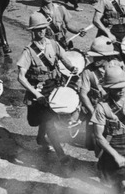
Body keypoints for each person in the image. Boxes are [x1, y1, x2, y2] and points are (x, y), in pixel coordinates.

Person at [16, 13, 80, 164]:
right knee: (45, 120)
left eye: (43, 28)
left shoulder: (53, 44)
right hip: (38, 90)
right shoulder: (28, 51)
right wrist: (35, 93)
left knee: (49, 119)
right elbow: (21, 77)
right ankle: (59, 153)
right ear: (32, 31)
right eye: (38, 29)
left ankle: (43, 140)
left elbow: (65, 59)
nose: (41, 32)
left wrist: (72, 68)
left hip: (54, 87)